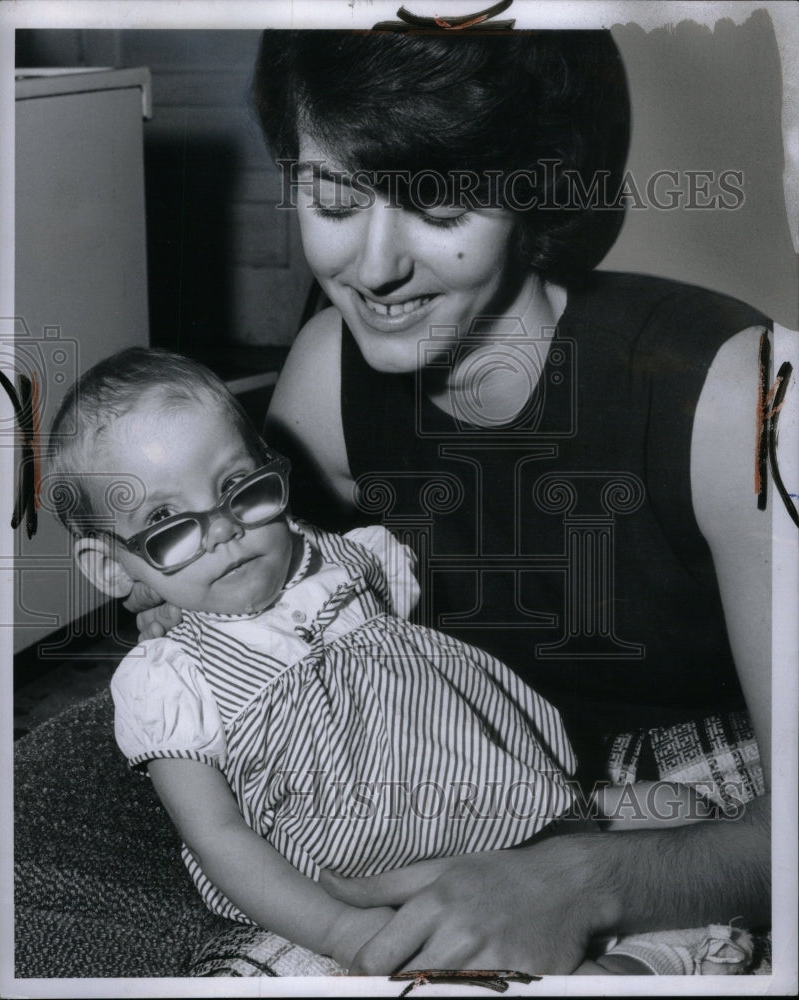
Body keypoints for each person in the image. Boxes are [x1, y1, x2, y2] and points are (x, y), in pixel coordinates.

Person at [246, 29, 770, 975]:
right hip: (461, 774)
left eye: (437, 199)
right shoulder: (324, 378)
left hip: (716, 816)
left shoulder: (736, 396)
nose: (373, 268)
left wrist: (580, 880)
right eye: (332, 196)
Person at [50, 347, 756, 977]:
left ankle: (614, 886)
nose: (226, 532)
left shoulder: (345, 557)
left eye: (240, 489)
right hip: (381, 858)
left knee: (686, 822)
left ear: (273, 469)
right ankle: (634, 962)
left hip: (510, 798)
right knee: (458, 958)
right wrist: (338, 930)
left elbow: (434, 702)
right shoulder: (169, 678)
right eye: (168, 527)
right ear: (112, 569)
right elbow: (217, 838)